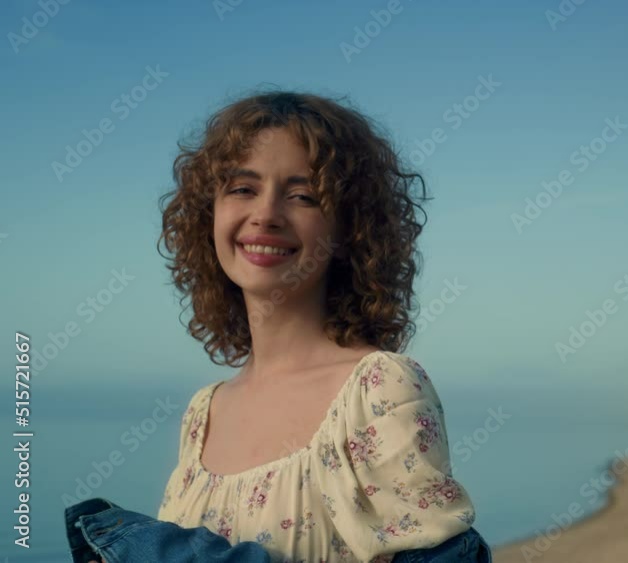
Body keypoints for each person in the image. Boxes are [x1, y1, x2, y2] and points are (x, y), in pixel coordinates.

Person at [65, 90, 490, 562]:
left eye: (303, 195)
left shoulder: (378, 389)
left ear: (349, 231)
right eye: (243, 188)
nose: (265, 214)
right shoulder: (202, 413)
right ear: (210, 215)